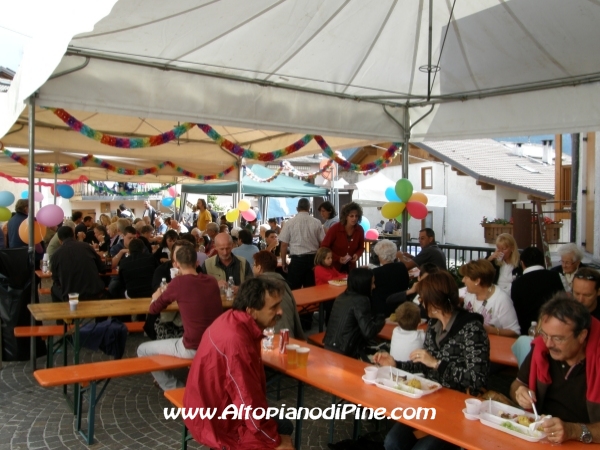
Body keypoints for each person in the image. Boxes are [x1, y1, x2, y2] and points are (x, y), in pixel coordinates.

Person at [376, 272, 490, 450]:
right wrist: (396, 365)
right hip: (430, 401)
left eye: (423, 297)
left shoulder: (472, 329)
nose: (420, 301)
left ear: (436, 300)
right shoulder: (433, 326)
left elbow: (476, 379)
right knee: (392, 442)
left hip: (457, 409)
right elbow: (425, 365)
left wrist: (437, 363)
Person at [183, 277, 294, 449]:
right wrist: (275, 441)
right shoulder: (236, 342)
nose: (280, 312)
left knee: (282, 424)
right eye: (273, 307)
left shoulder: (231, 318)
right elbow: (247, 401)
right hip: (217, 422)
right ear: (251, 311)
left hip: (206, 406)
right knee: (284, 429)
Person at [510, 295, 600, 444]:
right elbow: (517, 385)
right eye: (544, 335)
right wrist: (520, 393)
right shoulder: (542, 350)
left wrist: (573, 431)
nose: (549, 343)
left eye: (558, 338)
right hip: (539, 438)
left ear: (582, 335)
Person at [137, 245, 222, 390]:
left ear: (176, 264)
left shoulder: (178, 283)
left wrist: (155, 296)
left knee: (142, 350)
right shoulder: (212, 281)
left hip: (193, 346)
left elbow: (153, 309)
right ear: (197, 262)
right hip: (215, 343)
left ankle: (175, 388)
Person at [324, 267, 385, 358]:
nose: (374, 286)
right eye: (372, 283)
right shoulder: (361, 300)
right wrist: (381, 319)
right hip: (344, 350)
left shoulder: (341, 297)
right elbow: (369, 332)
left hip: (329, 345)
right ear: (364, 284)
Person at [252, 251, 306, 340]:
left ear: (259, 268)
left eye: (254, 265)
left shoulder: (260, 286)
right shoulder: (282, 283)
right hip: (291, 334)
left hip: (276, 338)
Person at [511, 246, 564, 335]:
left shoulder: (517, 283)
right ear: (542, 261)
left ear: (522, 263)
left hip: (527, 332)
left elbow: (515, 309)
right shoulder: (557, 276)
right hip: (556, 328)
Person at [460, 259, 520, 337]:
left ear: (477, 281)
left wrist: (492, 330)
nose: (463, 280)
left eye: (466, 277)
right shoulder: (469, 294)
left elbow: (515, 332)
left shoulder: (501, 299)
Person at [50, 226, 106, 303]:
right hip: (95, 292)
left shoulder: (56, 255)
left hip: (71, 296)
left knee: (54, 289)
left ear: (60, 240)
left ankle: (60, 312)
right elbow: (102, 268)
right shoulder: (87, 247)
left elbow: (56, 279)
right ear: (74, 236)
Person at [279, 198, 325, 289]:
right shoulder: (317, 222)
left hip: (297, 261)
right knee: (311, 289)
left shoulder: (289, 223)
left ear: (297, 208)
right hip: (313, 259)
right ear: (309, 208)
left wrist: (283, 262)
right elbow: (323, 242)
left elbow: (284, 245)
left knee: (294, 290)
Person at [321, 202, 365, 273]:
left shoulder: (360, 230)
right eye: (351, 216)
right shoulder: (335, 228)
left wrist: (357, 254)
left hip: (351, 267)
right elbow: (324, 247)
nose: (354, 218)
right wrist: (337, 258)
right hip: (334, 267)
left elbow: (361, 247)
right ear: (346, 216)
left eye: (356, 216)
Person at [371, 240, 409, 316]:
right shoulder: (402, 267)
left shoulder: (375, 272)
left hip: (381, 309)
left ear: (380, 255)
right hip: (401, 306)